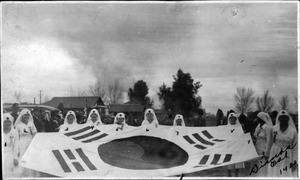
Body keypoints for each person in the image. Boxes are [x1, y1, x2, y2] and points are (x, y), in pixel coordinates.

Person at [266, 110, 298, 177]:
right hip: (275, 153)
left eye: (285, 117)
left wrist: (295, 161)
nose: (283, 119)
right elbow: (270, 142)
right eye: (281, 117)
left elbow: (295, 147)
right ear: (278, 118)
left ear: (288, 118)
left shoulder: (293, 131)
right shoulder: (273, 129)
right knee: (275, 171)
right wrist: (267, 154)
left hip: (287, 155)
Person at [14, 109, 38, 177]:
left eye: (28, 115)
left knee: (31, 158)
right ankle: (23, 174)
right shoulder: (18, 125)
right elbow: (16, 137)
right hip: (22, 142)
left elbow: (35, 133)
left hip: (30, 142)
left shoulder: (31, 124)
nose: (26, 116)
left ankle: (31, 174)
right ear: (22, 116)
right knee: (23, 157)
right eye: (25, 115)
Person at [252, 112, 273, 177]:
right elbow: (256, 135)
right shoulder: (258, 126)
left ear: (262, 118)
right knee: (256, 166)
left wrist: (267, 152)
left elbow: (269, 140)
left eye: (258, 118)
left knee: (263, 166)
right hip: (257, 147)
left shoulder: (268, 128)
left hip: (264, 148)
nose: (256, 119)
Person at [226, 112, 245, 177]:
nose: (232, 120)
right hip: (230, 147)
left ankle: (237, 175)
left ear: (236, 119)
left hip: (237, 147)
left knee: (237, 162)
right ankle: (229, 174)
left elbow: (242, 136)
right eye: (230, 118)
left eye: (233, 118)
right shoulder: (226, 127)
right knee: (229, 162)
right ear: (229, 119)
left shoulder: (239, 127)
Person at [3, 114, 19, 178]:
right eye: (5, 122)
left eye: (9, 122)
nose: (7, 123)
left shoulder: (15, 132)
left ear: (11, 122)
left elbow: (16, 145)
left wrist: (15, 158)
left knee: (9, 173)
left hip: (10, 155)